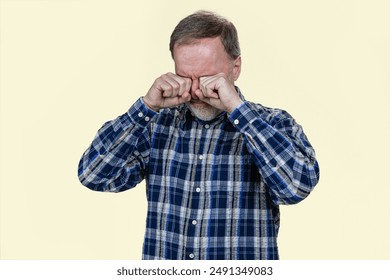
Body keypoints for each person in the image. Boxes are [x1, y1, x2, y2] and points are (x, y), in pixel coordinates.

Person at [78, 10, 320, 260]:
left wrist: (239, 111)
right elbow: (93, 175)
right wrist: (146, 107)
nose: (195, 90)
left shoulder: (273, 123)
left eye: (206, 77)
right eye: (185, 77)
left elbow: (296, 188)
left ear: (235, 68)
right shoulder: (155, 125)